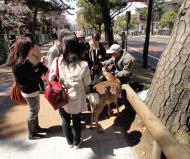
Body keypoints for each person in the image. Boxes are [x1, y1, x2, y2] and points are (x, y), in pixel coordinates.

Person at [49, 33, 91, 149]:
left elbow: (50, 78)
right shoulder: (83, 65)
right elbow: (87, 83)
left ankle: (70, 142)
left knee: (65, 119)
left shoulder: (57, 61)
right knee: (76, 119)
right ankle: (77, 142)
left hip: (63, 96)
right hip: (77, 98)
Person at [11, 36, 48, 140]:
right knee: (33, 111)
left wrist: (40, 64)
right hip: (29, 91)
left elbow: (31, 71)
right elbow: (36, 77)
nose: (32, 50)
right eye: (31, 48)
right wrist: (44, 66)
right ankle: (31, 134)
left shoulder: (20, 60)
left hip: (29, 89)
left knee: (35, 109)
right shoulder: (21, 64)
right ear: (25, 49)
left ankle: (36, 128)